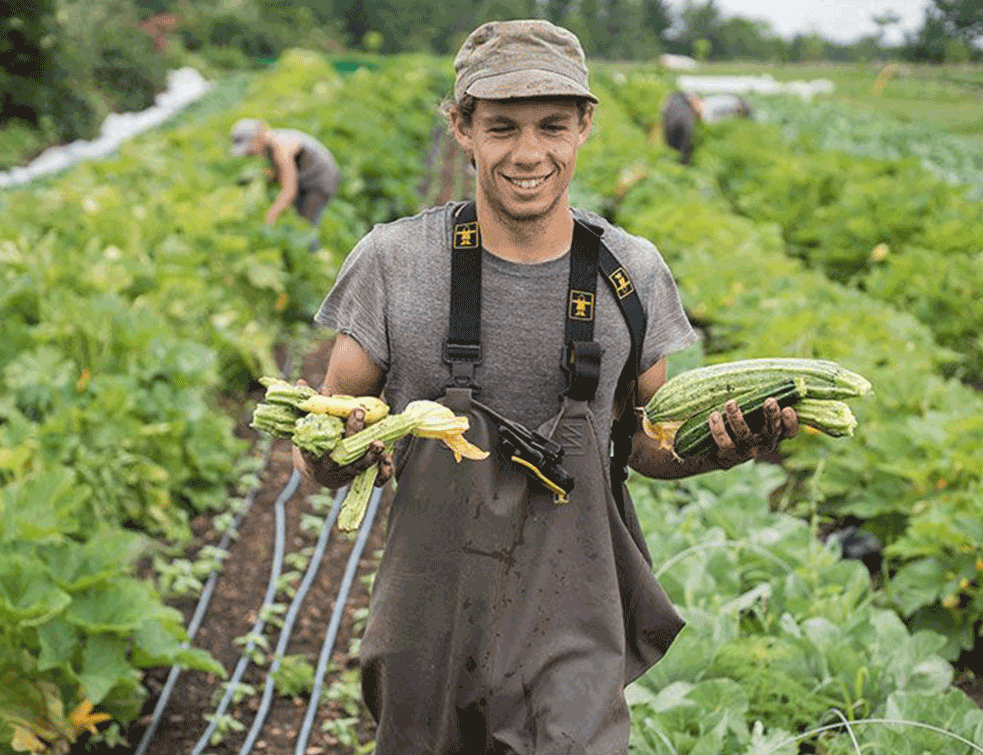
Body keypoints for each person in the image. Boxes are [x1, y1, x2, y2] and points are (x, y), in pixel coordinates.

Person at [294, 19, 798, 755]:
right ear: (460, 125)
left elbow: (645, 443)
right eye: (501, 126)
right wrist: (333, 453)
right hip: (429, 619)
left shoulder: (630, 273)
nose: (528, 154)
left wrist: (720, 448)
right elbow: (324, 449)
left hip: (573, 616)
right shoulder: (394, 263)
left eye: (551, 126)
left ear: (584, 125)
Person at [229, 118, 340, 248]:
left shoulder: (281, 147)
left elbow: (289, 191)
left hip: (321, 180)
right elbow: (283, 170)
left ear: (257, 139)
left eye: (249, 147)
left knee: (305, 227)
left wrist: (270, 217)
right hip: (307, 178)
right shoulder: (271, 143)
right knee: (299, 219)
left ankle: (316, 256)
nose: (248, 153)